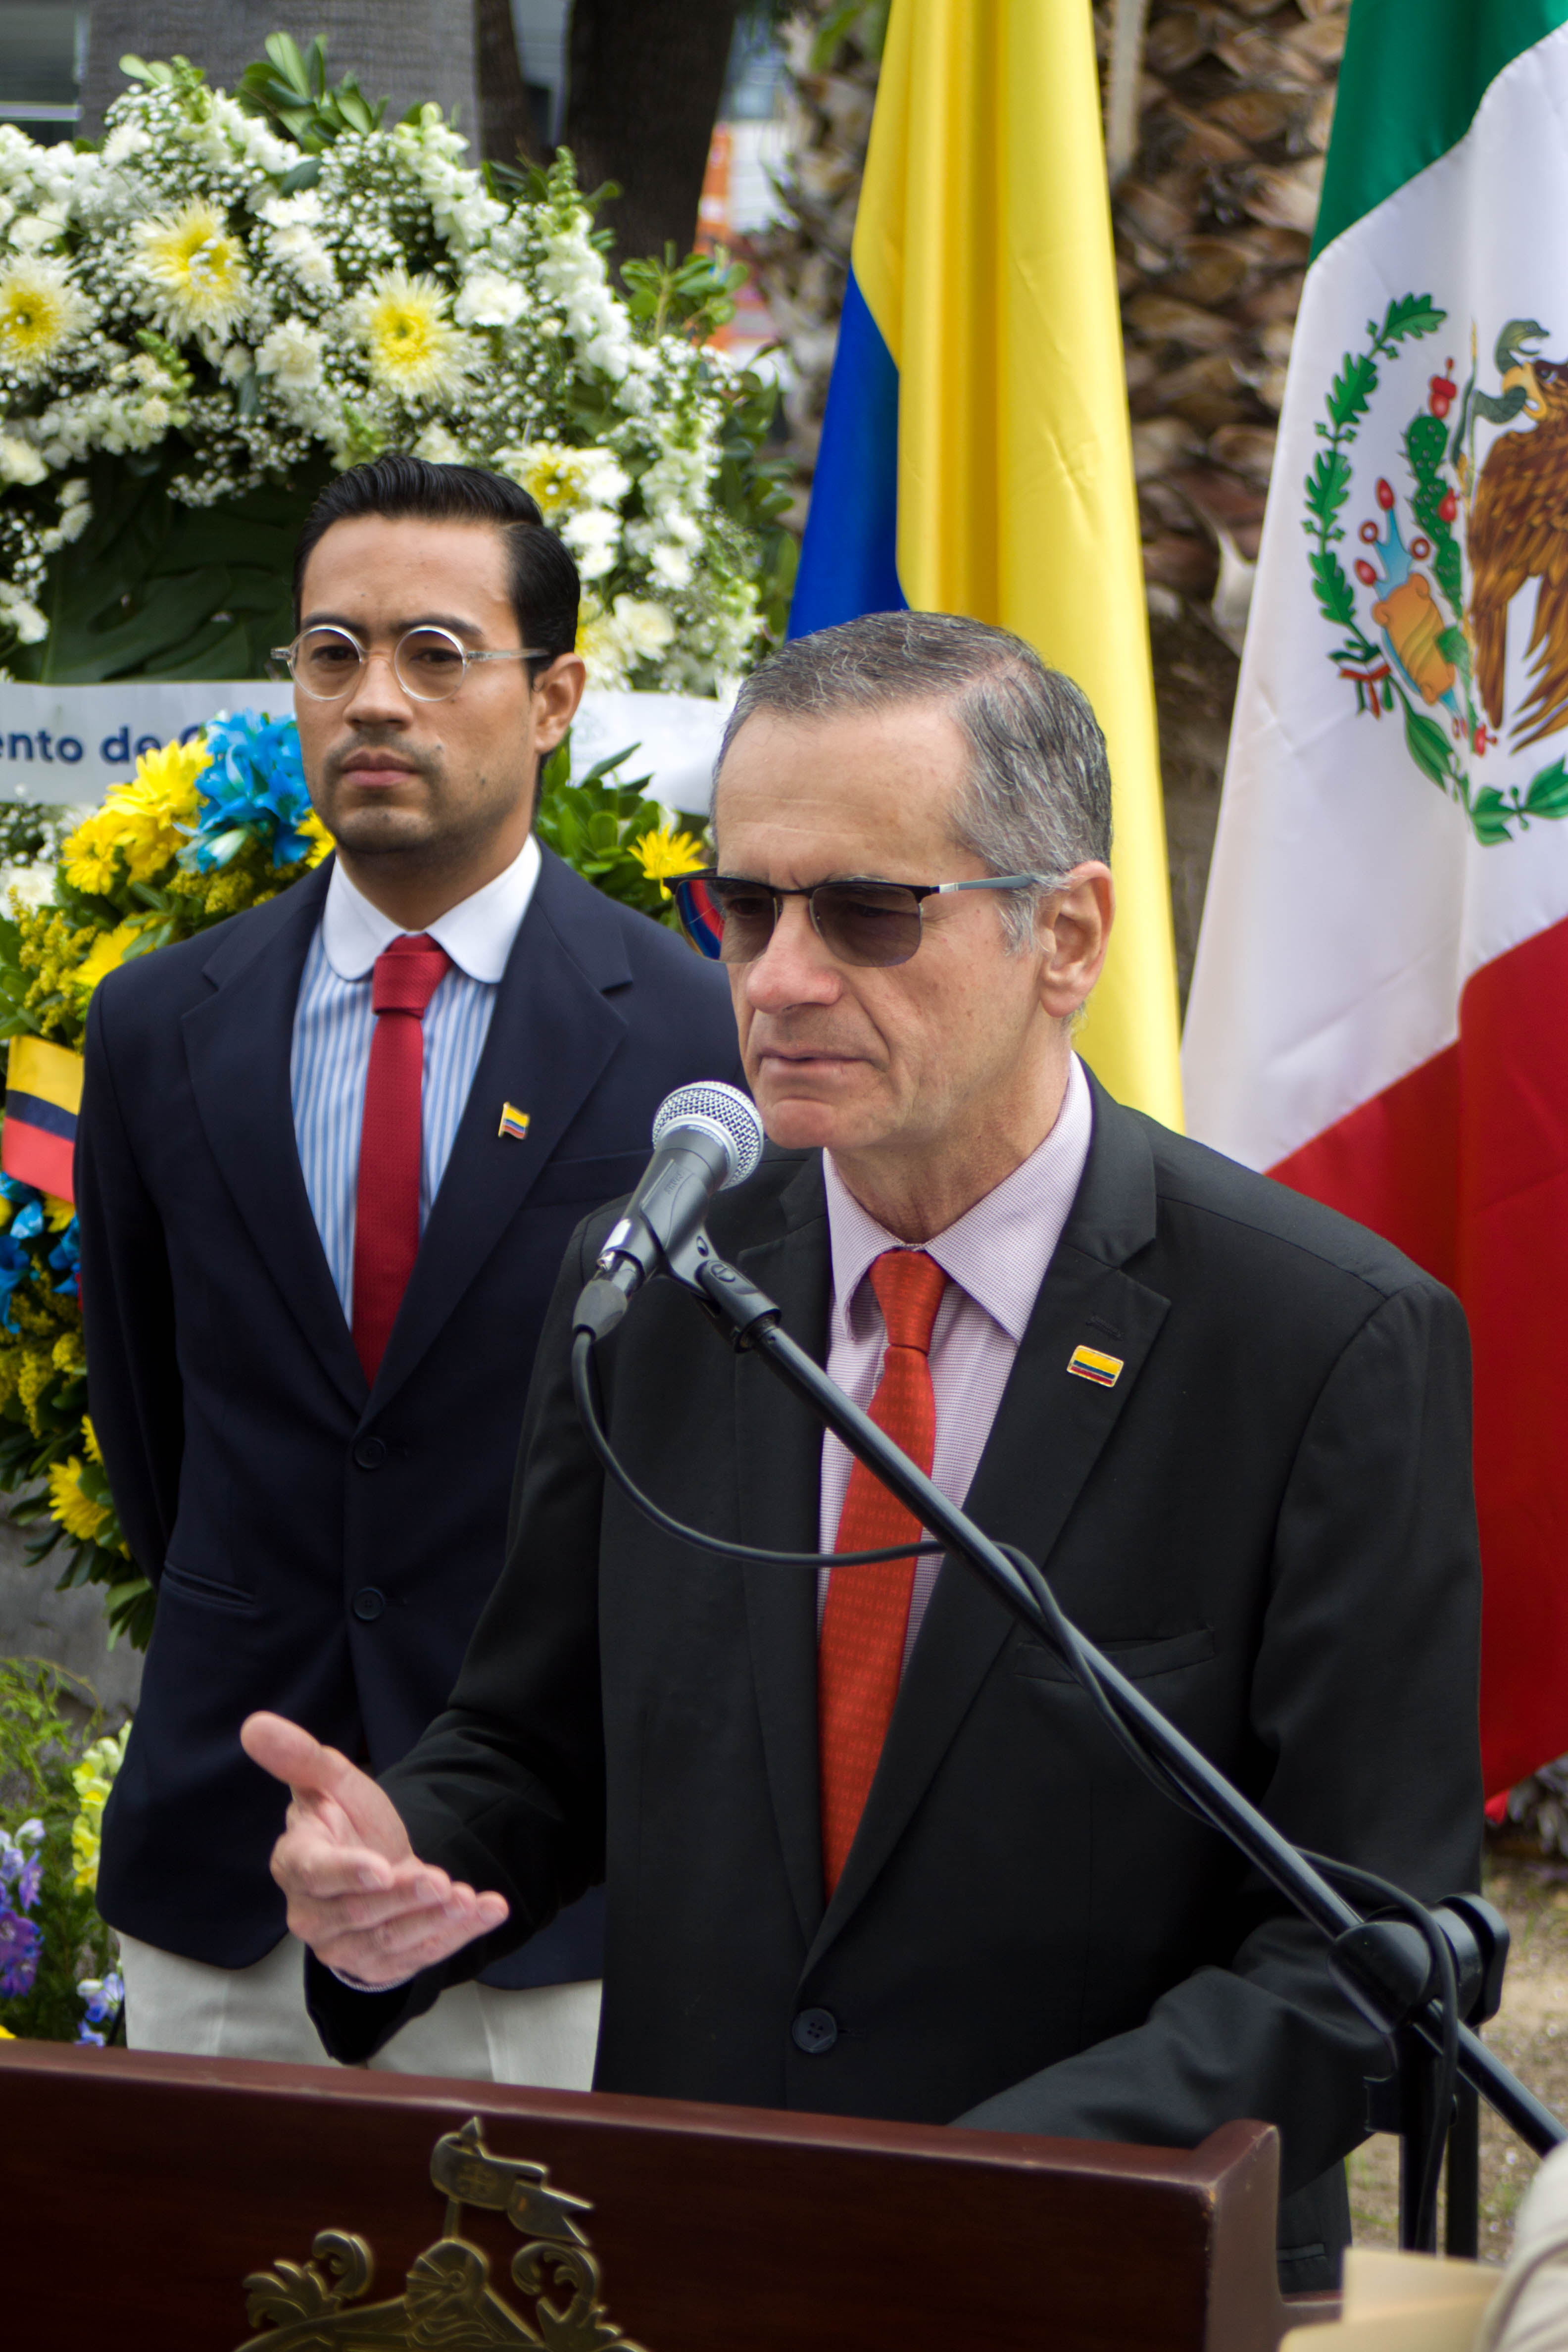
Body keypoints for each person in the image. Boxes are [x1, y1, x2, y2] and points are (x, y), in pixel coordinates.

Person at [246, 611, 1480, 2288]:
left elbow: (1369, 1944)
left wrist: (964, 2199)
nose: (779, 977)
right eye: (745, 906)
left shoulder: (1322, 1338)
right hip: (691, 2256)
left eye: (868, 913)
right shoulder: (661, 1271)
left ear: (1068, 934)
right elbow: (536, 1750)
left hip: (1103, 2279)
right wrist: (401, 1859)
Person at [76, 454, 739, 2084]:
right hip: (230, 1868)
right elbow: (150, 1421)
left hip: (540, 1897)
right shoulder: (162, 1025)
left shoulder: (694, 1034)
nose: (376, 699)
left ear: (556, 695)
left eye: (438, 655)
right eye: (332, 653)